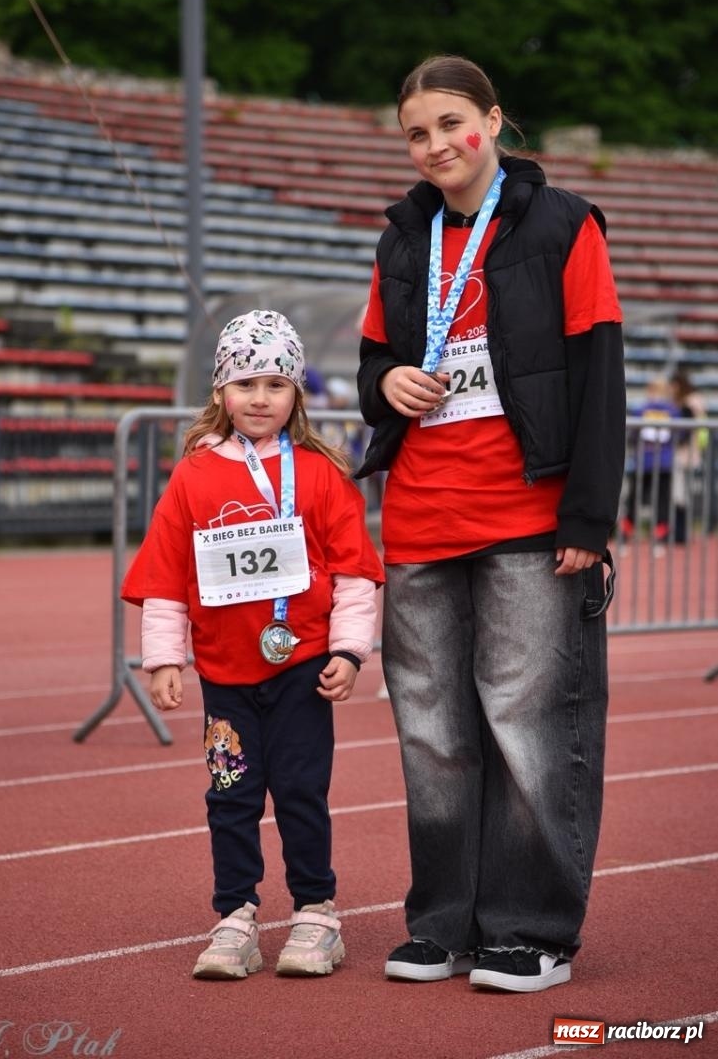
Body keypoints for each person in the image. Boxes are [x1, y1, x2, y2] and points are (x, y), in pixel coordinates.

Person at [355, 55, 625, 993]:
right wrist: (385, 383)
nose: (433, 145)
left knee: (525, 725)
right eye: (415, 133)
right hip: (422, 517)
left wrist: (589, 515)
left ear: (494, 121)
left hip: (529, 515)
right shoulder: (399, 239)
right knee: (432, 733)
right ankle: (441, 921)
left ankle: (532, 929)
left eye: (448, 123)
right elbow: (374, 362)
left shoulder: (562, 225)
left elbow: (598, 376)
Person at [122, 309, 384, 980]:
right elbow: (166, 576)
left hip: (299, 668)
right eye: (245, 384)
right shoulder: (193, 476)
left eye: (275, 383)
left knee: (300, 790)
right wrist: (163, 658)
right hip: (225, 677)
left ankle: (315, 913)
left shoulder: (321, 474)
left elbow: (354, 572)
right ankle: (234, 915)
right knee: (230, 796)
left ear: (296, 393)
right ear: (220, 393)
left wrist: (348, 652)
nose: (259, 398)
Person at [620, 376, 680, 550]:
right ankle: (659, 541)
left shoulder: (641, 410)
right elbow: (679, 436)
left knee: (634, 500)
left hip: (644, 462)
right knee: (661, 501)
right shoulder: (673, 411)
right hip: (663, 463)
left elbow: (632, 436)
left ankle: (625, 538)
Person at [670, 368, 708, 543]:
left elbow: (685, 431)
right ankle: (682, 532)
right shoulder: (697, 400)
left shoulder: (687, 402)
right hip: (694, 453)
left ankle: (680, 534)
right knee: (682, 494)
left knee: (680, 495)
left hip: (685, 454)